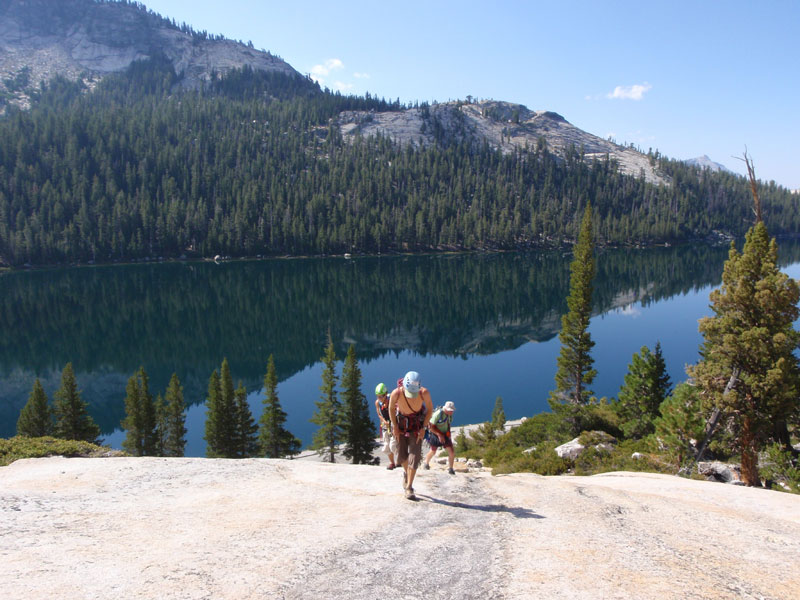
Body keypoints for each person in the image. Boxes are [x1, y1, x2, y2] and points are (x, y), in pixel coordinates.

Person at [388, 371, 433, 500]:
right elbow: (391, 409)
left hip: (416, 425)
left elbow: (430, 409)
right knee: (402, 456)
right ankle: (406, 474)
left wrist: (424, 427)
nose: (412, 396)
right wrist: (395, 426)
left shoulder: (424, 393)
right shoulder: (396, 393)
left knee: (415, 456)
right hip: (401, 424)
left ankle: (409, 487)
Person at [423, 401, 456, 474]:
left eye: (452, 411)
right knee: (433, 451)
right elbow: (431, 427)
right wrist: (439, 435)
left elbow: (448, 424)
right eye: (450, 410)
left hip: (445, 434)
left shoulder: (449, 415)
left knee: (451, 451)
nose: (451, 412)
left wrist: (448, 434)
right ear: (446, 409)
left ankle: (451, 468)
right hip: (435, 434)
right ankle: (426, 463)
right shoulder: (438, 414)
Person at [374, 382, 397, 469]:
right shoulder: (377, 403)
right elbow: (379, 414)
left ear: (385, 394)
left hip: (393, 425)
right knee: (386, 447)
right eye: (378, 396)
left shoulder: (392, 400)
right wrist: (385, 422)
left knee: (393, 445)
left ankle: (401, 461)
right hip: (385, 426)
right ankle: (392, 463)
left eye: (381, 396)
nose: (379, 398)